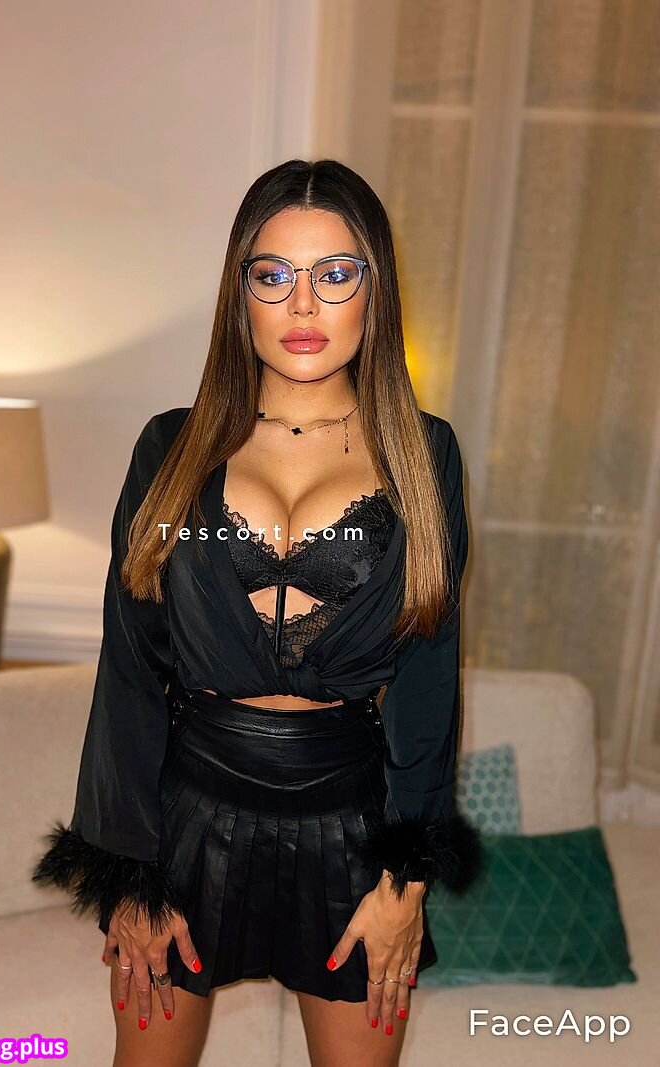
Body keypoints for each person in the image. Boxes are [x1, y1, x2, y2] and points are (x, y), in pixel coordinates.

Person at [31, 158, 481, 1067]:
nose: (303, 304)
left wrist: (406, 883)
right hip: (187, 816)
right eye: (273, 274)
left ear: (375, 288)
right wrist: (128, 873)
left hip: (353, 825)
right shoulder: (171, 447)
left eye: (335, 273)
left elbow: (428, 682)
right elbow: (129, 670)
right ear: (241, 292)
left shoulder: (425, 454)